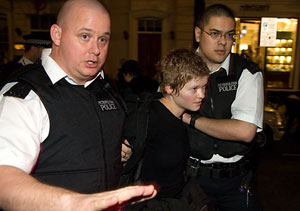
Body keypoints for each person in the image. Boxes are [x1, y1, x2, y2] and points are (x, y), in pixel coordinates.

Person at [0, 0, 156, 210]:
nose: (96, 49)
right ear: (57, 34)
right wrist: (74, 202)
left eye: (103, 39)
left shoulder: (105, 88)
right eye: (85, 36)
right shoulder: (26, 96)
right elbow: (4, 180)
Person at [182, 4, 264, 211]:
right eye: (215, 33)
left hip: (235, 181)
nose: (223, 42)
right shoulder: (178, 69)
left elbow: (245, 131)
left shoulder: (246, 72)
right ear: (198, 34)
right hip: (191, 179)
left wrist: (190, 119)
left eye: (229, 35)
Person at [125, 48, 210, 210]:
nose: (202, 95)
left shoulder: (181, 116)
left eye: (204, 87)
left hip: (175, 202)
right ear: (169, 88)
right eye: (194, 89)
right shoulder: (149, 117)